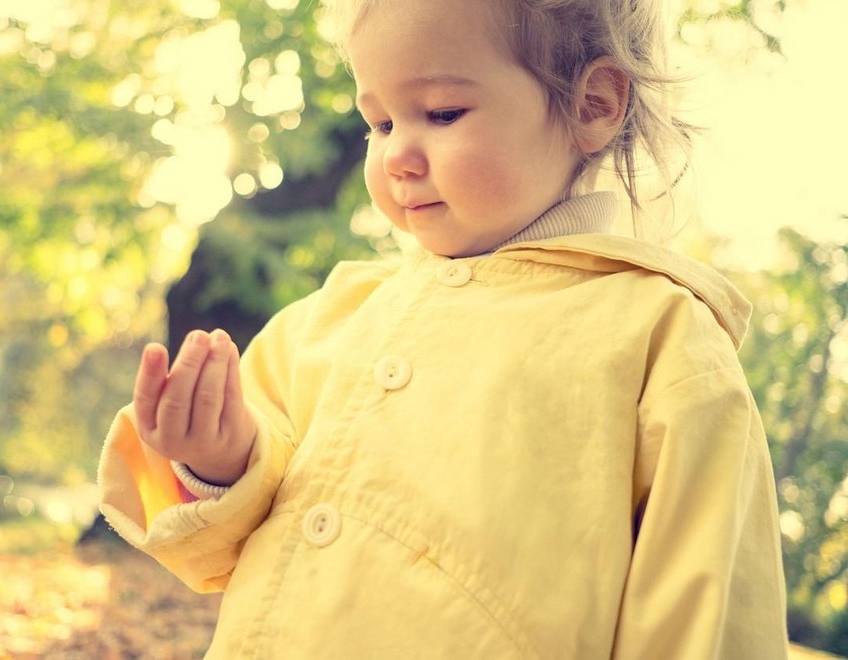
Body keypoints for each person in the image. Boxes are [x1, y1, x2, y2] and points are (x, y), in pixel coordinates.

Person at [98, 0, 789, 656]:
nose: (396, 154)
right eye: (381, 123)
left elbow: (709, 620)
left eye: (441, 111)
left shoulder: (660, 340)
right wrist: (217, 462)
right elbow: (210, 543)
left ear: (594, 104)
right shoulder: (334, 316)